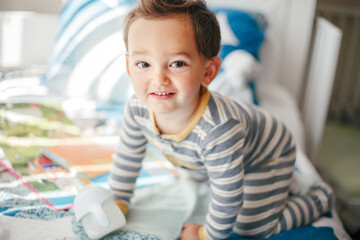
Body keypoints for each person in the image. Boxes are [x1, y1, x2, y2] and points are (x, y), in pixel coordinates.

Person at [108, 0, 333, 239]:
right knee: (211, 175)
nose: (158, 78)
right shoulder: (136, 109)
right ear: (129, 67)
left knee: (251, 227)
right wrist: (118, 202)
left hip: (267, 155)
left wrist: (206, 235)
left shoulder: (219, 130)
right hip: (226, 157)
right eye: (144, 64)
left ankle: (318, 198)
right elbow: (127, 158)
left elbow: (228, 198)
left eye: (177, 64)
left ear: (208, 72)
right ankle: (281, 186)